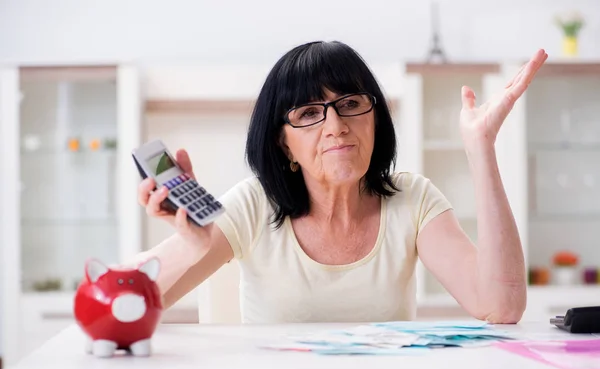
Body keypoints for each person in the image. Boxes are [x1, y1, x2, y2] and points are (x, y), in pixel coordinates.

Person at [133, 41, 548, 324]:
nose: (336, 126)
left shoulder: (413, 199)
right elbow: (130, 300)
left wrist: (481, 147)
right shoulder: (255, 204)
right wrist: (193, 246)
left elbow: (501, 305)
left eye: (350, 104)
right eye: (310, 113)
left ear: (375, 119)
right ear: (284, 143)